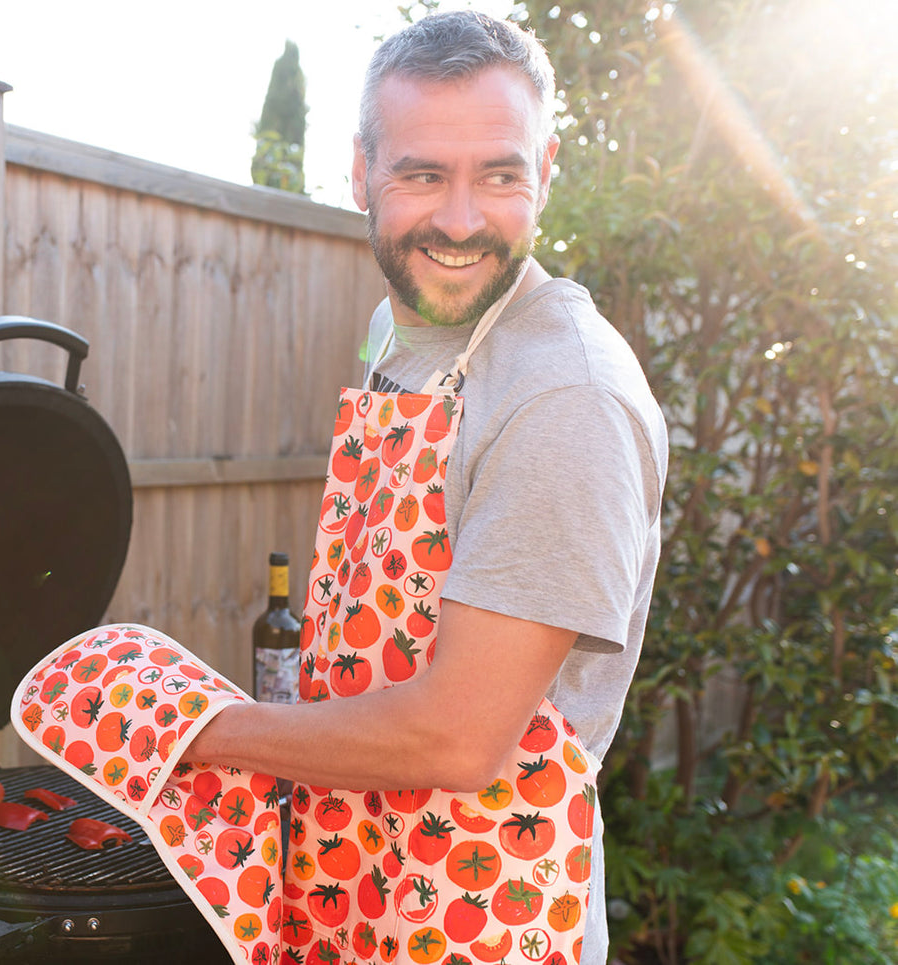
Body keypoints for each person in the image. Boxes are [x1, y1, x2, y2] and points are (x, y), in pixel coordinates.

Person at [183, 11, 669, 964]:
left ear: (547, 166)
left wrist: (191, 732)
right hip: (348, 870)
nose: (458, 220)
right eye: (420, 174)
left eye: (499, 174)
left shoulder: (565, 396)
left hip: (481, 910)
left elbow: (456, 741)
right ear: (360, 169)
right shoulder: (396, 329)